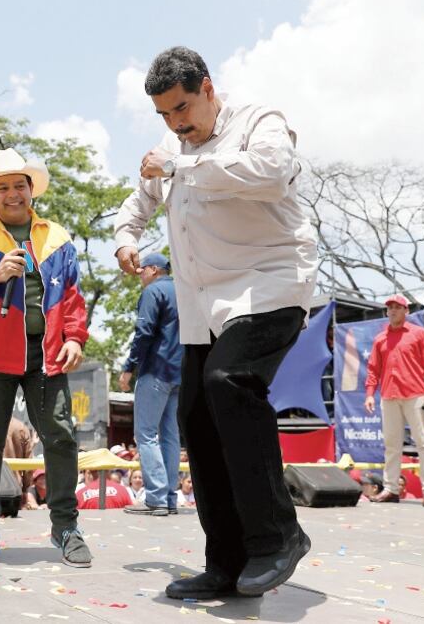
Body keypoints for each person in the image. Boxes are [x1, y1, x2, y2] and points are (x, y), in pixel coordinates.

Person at [113, 46, 316, 598]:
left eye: (182, 109)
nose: (177, 124)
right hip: (203, 302)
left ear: (206, 87)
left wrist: (181, 165)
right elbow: (138, 203)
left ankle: (278, 537)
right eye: (164, 116)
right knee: (197, 416)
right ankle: (225, 562)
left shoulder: (258, 121)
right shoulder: (169, 148)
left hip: (271, 282)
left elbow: (271, 173)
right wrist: (126, 239)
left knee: (230, 382)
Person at [0, 149, 92, 568]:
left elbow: (73, 296)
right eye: (2, 187)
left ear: (30, 189)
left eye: (18, 185)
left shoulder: (56, 237)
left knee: (60, 438)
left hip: (46, 355)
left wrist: (76, 337)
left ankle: (65, 526)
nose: (12, 193)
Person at [118, 252, 183, 516]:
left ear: (154, 269)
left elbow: (143, 332)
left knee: (145, 434)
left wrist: (128, 368)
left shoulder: (153, 292)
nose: (139, 274)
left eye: (141, 270)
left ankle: (155, 497)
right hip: (181, 372)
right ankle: (168, 498)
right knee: (170, 436)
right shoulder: (184, 291)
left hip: (155, 370)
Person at [364, 294, 424, 507]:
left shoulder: (419, 334)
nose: (393, 311)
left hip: (415, 394)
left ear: (406, 311)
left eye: (398, 307)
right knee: (391, 445)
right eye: (390, 308)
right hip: (388, 396)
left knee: (423, 442)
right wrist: (370, 393)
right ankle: (390, 489)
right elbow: (373, 369)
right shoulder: (380, 338)